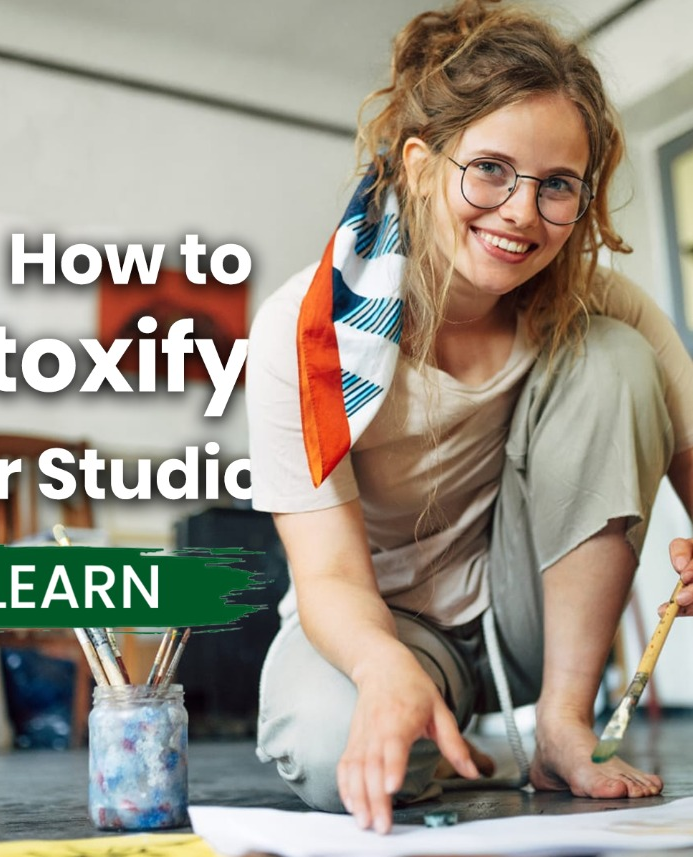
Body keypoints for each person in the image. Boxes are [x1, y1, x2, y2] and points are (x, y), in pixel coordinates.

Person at [246, 0, 693, 837]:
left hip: (527, 613)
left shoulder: (603, 304)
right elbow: (331, 576)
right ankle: (430, 715)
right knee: (322, 748)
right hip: (382, 621)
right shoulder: (303, 333)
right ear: (418, 165)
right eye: (488, 168)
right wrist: (382, 667)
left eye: (557, 184)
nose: (521, 212)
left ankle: (561, 724)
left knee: (611, 355)